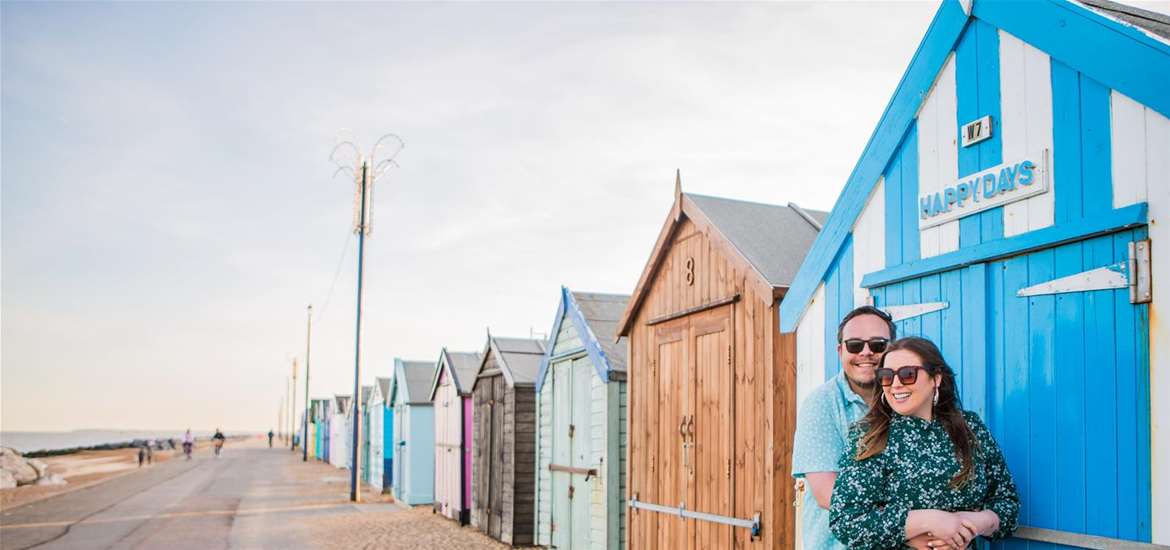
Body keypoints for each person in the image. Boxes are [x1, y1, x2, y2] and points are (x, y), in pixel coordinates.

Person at [830, 337, 1019, 550]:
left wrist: (972, 524)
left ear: (935, 379)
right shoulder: (869, 436)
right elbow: (845, 522)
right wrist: (928, 521)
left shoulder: (970, 428)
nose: (896, 384)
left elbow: (1007, 505)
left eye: (907, 374)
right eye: (886, 376)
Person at [792, 305, 895, 550]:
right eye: (855, 345)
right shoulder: (821, 404)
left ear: (893, 349)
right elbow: (830, 495)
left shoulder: (905, 399)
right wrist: (915, 522)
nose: (866, 353)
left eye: (878, 344)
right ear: (840, 351)